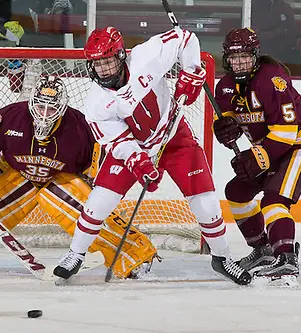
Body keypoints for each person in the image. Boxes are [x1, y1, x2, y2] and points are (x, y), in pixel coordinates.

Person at [53, 26, 252, 285]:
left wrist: (191, 71)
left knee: (205, 199)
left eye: (107, 61)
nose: (102, 69)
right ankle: (75, 254)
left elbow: (186, 38)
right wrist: (139, 161)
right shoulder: (96, 103)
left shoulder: (148, 55)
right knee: (99, 200)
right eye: (97, 64)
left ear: (121, 56)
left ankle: (222, 258)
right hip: (134, 146)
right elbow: (118, 141)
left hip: (174, 137)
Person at [0, 76, 157, 279]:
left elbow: (98, 166)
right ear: (32, 102)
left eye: (51, 109)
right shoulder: (10, 116)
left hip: (59, 181)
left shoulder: (80, 127)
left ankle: (134, 258)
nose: (44, 114)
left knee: (92, 216)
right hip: (17, 177)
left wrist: (94, 193)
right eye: (40, 106)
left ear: (62, 109)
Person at [213, 28, 301, 279]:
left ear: (255, 56)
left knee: (274, 200)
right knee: (236, 193)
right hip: (269, 147)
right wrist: (225, 129)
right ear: (226, 59)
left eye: (244, 56)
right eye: (233, 57)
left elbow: (287, 132)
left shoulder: (272, 79)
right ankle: (262, 249)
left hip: (299, 146)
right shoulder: (226, 86)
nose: (239, 63)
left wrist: (256, 159)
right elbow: (231, 119)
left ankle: (286, 257)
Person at [251, 0, 299, 68]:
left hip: (282, 52)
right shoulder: (250, 7)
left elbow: (291, 31)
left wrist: (279, 33)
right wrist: (275, 33)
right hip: (259, 51)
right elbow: (252, 34)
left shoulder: (284, 7)